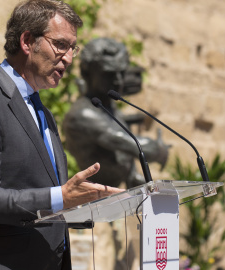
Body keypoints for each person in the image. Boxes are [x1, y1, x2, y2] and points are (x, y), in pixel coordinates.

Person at [0, 1, 122, 269]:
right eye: (61, 45)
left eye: (73, 48)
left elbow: (50, 197)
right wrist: (60, 197)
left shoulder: (43, 113)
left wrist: (91, 203)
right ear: (27, 41)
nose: (70, 58)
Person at [63, 38, 170, 189]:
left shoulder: (108, 107)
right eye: (109, 74)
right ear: (87, 73)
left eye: (122, 73)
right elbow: (139, 148)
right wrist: (160, 150)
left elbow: (121, 156)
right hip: (90, 202)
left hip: (112, 200)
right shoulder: (84, 115)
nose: (118, 80)